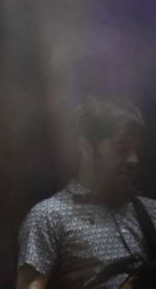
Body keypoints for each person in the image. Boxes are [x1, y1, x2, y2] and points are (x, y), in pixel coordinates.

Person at [17, 95, 156, 289]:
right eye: (122, 148)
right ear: (86, 147)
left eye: (135, 149)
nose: (133, 160)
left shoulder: (151, 211)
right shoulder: (49, 216)